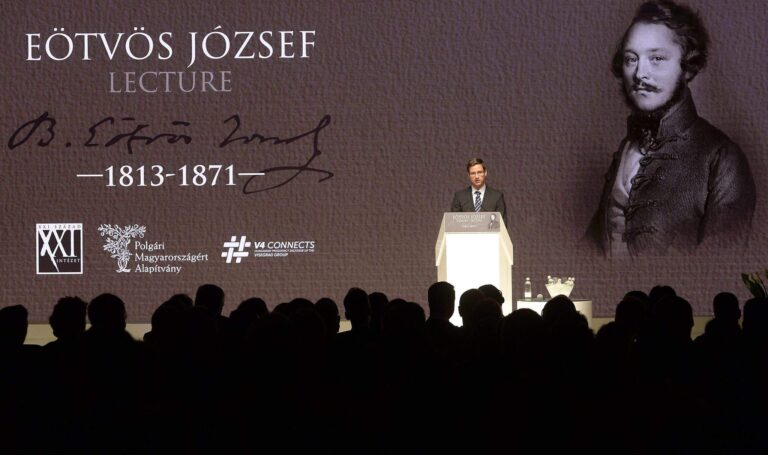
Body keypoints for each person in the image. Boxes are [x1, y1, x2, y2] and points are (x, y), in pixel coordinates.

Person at [585, 0, 755, 257]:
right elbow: (590, 250)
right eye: (631, 59)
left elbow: (721, 267)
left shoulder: (722, 157)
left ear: (687, 66)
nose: (640, 74)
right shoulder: (627, 148)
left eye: (657, 58)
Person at [451, 158, 507, 226]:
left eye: (479, 172)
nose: (476, 176)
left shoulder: (497, 197)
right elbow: (454, 224)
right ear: (468, 175)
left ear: (485, 173)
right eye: (473, 173)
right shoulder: (459, 197)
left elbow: (502, 226)